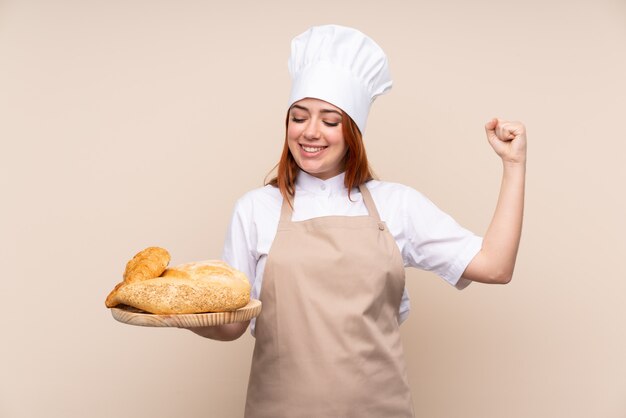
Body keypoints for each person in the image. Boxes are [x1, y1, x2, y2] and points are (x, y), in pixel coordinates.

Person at [185, 24, 527, 417]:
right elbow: (230, 326)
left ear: (353, 133)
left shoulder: (396, 205)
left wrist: (514, 166)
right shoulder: (255, 209)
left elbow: (496, 266)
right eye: (299, 117)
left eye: (330, 121)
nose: (311, 132)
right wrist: (178, 313)